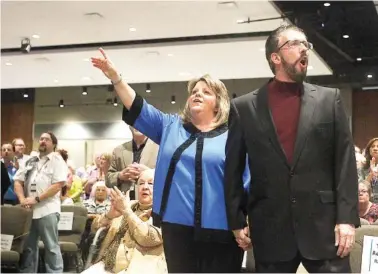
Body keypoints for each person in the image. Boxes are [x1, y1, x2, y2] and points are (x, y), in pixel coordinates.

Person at [91, 48, 245, 273]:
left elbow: (245, 180)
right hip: (177, 229)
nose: (197, 94)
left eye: (206, 91)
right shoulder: (170, 127)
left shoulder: (233, 135)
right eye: (194, 91)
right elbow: (137, 107)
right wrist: (116, 77)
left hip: (222, 229)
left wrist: (245, 222)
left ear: (219, 102)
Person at [224, 24, 359, 273]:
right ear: (275, 57)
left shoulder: (330, 100)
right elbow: (233, 168)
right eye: (295, 44)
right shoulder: (244, 108)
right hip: (270, 229)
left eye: (306, 44)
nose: (304, 49)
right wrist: (236, 218)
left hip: (325, 228)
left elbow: (345, 163)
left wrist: (347, 218)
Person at [82, 169, 167, 274]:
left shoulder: (164, 213)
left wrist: (126, 211)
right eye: (141, 183)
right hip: (105, 265)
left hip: (136, 268)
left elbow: (148, 238)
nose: (145, 187)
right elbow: (95, 228)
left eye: (150, 183)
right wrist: (109, 216)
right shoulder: (126, 204)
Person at [14, 132, 68, 273]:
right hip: (28, 210)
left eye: (47, 139)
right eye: (41, 139)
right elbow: (18, 182)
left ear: (54, 144)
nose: (43, 141)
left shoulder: (58, 160)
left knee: (51, 246)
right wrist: (22, 200)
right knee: (28, 246)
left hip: (47, 209)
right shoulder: (30, 160)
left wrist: (36, 199)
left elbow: (58, 185)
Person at [105, 126, 158, 194]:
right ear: (130, 125)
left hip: (151, 201)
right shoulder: (118, 150)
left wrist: (148, 173)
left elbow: (170, 179)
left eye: (142, 122)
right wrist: (120, 176)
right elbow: (108, 180)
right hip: (125, 201)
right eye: (135, 121)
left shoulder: (160, 149)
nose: (138, 125)